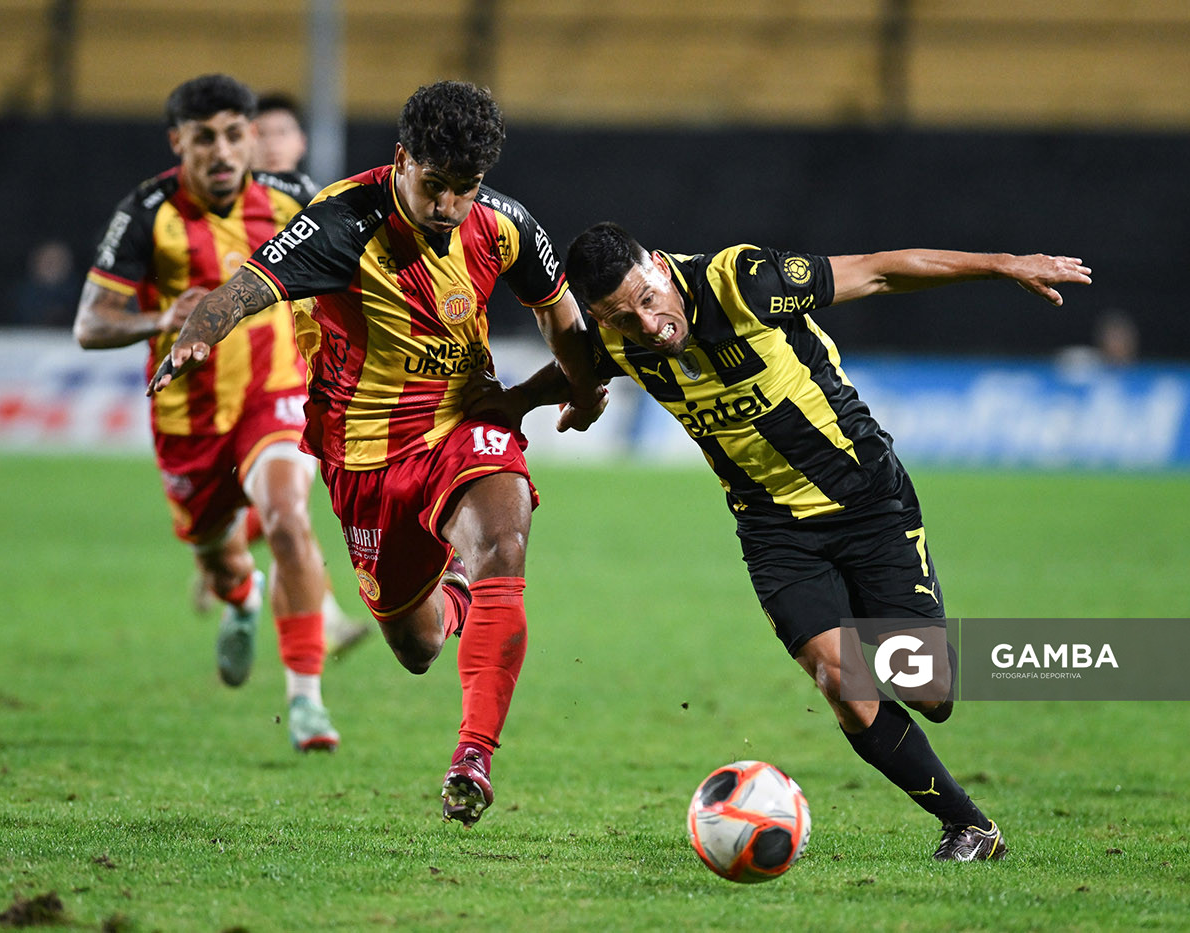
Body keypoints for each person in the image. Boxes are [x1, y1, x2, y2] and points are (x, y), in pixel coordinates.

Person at [471, 221, 1092, 860]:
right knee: (840, 680)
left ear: (658, 265)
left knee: (930, 692)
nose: (649, 326)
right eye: (624, 320)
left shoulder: (740, 282)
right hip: (773, 532)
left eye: (649, 301)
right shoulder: (615, 339)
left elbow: (879, 268)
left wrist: (1004, 263)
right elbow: (575, 368)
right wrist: (514, 405)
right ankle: (968, 826)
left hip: (867, 503)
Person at [148, 81, 607, 825]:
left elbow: (561, 316)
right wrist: (202, 328)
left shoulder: (503, 224)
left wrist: (574, 391)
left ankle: (473, 755)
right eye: (434, 185)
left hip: (465, 423)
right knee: (419, 643)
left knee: (506, 537)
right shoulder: (338, 222)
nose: (448, 205)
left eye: (465, 189)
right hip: (365, 457)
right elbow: (248, 287)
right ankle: (453, 585)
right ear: (402, 161)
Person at [74, 73, 345, 753]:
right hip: (187, 418)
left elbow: (355, 279)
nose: (222, 152)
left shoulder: (293, 199)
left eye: (234, 135)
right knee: (220, 559)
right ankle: (242, 596)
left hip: (273, 394)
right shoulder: (148, 212)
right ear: (179, 143)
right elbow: (90, 324)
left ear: (252, 137)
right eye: (204, 140)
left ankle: (306, 698)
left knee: (287, 519)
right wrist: (163, 314)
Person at [178, 88, 370, 661]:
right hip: (250, 386)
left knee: (289, 507)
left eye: (283, 133)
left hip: (312, 378)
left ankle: (233, 559)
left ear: (301, 142)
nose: (273, 144)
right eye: (262, 135)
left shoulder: (321, 208)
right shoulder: (238, 213)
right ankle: (304, 607)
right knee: (287, 508)